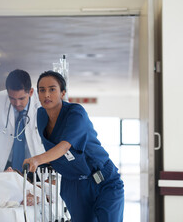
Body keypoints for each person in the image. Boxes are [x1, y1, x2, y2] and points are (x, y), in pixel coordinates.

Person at [23, 71, 125, 222]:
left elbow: (64, 146)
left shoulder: (76, 113)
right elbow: (57, 152)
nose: (46, 95)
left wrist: (38, 160)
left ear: (63, 93)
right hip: (74, 185)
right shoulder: (41, 115)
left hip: (103, 180)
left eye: (52, 89)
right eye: (42, 90)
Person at [0, 69, 45, 175]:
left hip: (35, 166)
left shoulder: (42, 102)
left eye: (21, 98)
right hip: (6, 166)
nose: (17, 103)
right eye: (11, 98)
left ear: (30, 92)